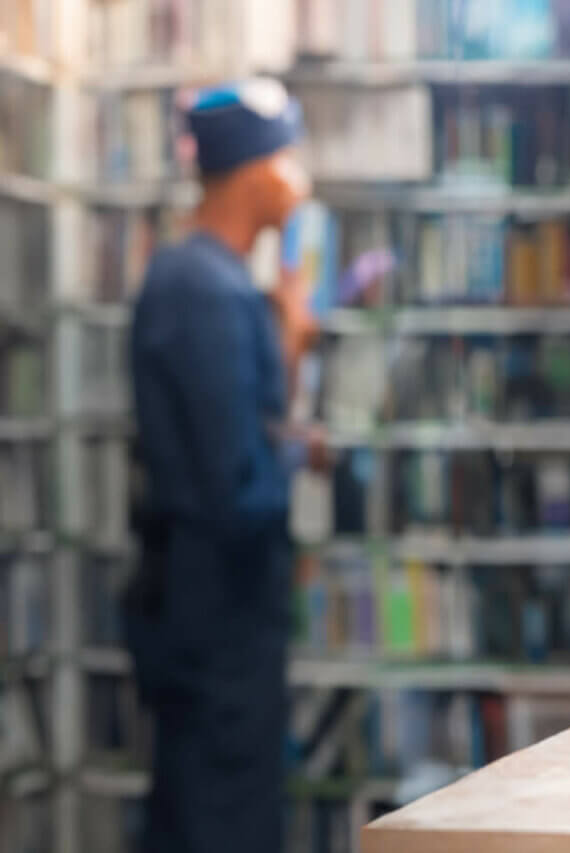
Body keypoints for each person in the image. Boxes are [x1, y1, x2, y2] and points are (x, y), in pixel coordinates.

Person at [123, 78, 319, 853]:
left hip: (218, 614)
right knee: (219, 817)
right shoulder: (200, 289)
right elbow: (232, 482)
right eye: (291, 157)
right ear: (261, 171)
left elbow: (237, 430)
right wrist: (293, 451)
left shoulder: (219, 281)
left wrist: (290, 360)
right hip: (215, 620)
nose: (300, 178)